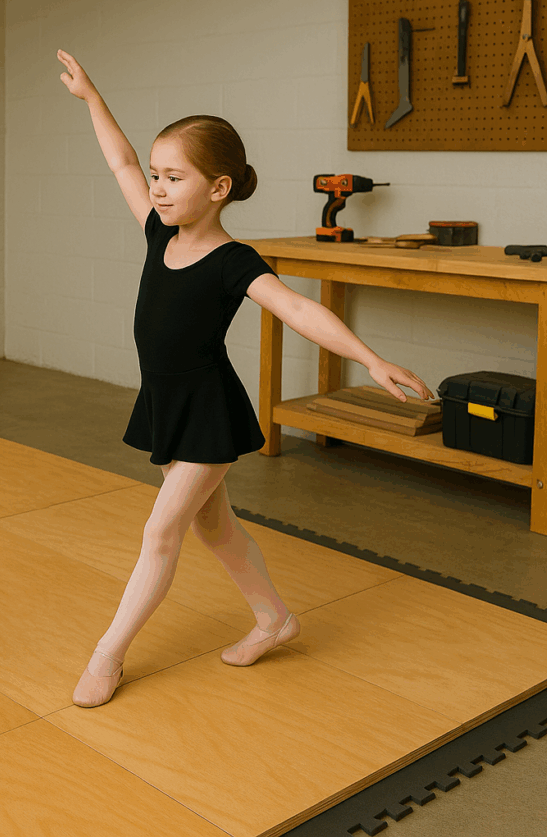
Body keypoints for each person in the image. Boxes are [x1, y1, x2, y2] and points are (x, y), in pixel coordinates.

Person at [56, 50, 433, 708]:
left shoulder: (233, 261)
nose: (157, 187)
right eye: (156, 175)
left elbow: (296, 307)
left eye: (174, 177)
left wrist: (370, 360)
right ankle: (274, 620)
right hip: (168, 402)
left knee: (160, 532)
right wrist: (92, 99)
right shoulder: (156, 233)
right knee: (216, 530)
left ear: (219, 188)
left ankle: (107, 655)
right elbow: (118, 160)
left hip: (207, 411)